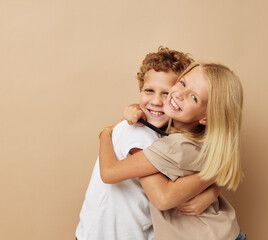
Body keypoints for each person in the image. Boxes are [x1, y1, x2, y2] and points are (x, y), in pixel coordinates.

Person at [76, 47, 219, 240]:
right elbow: (164, 197)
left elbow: (190, 175)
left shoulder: (167, 137)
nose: (156, 101)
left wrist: (212, 190)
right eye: (149, 91)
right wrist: (106, 131)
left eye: (166, 93)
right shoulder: (139, 133)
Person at [99, 62, 247, 239]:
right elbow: (218, 166)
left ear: (206, 117)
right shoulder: (204, 139)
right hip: (225, 232)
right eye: (183, 83)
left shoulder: (175, 147)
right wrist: (138, 109)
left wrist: (106, 132)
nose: (178, 94)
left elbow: (109, 173)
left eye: (194, 98)